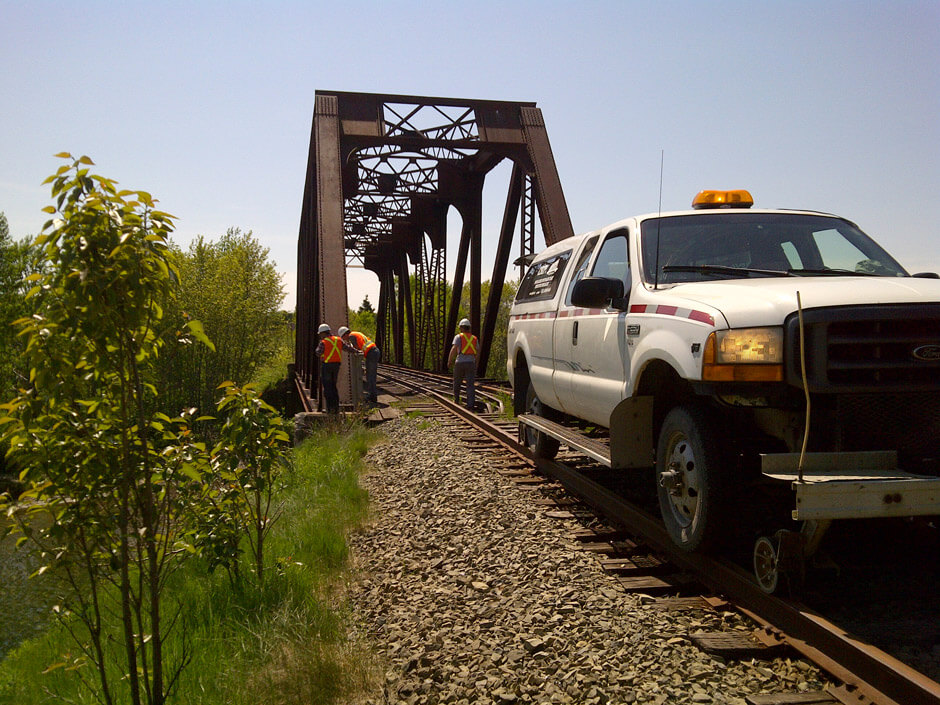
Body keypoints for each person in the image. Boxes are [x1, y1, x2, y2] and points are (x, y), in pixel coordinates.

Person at [339, 326, 381, 404]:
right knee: (370, 375)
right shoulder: (355, 333)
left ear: (345, 334)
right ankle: (372, 396)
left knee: (370, 376)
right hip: (373, 352)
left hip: (371, 353)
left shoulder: (351, 336)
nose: (344, 340)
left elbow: (356, 349)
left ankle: (372, 397)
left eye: (343, 338)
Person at [448, 318, 479, 410]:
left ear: (461, 328)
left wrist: (449, 360)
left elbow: (454, 349)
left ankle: (456, 400)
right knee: (470, 384)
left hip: (460, 362)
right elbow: (478, 351)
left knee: (457, 382)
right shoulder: (474, 338)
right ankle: (470, 404)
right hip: (471, 363)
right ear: (469, 328)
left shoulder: (458, 337)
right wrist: (475, 361)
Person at [315, 323, 343, 414]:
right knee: (334, 387)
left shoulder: (323, 342)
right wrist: (356, 351)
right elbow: (347, 348)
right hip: (336, 366)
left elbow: (318, 353)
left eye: (320, 334)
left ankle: (329, 409)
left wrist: (322, 355)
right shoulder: (338, 340)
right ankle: (336, 408)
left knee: (327, 388)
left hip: (327, 366)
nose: (320, 336)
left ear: (323, 333)